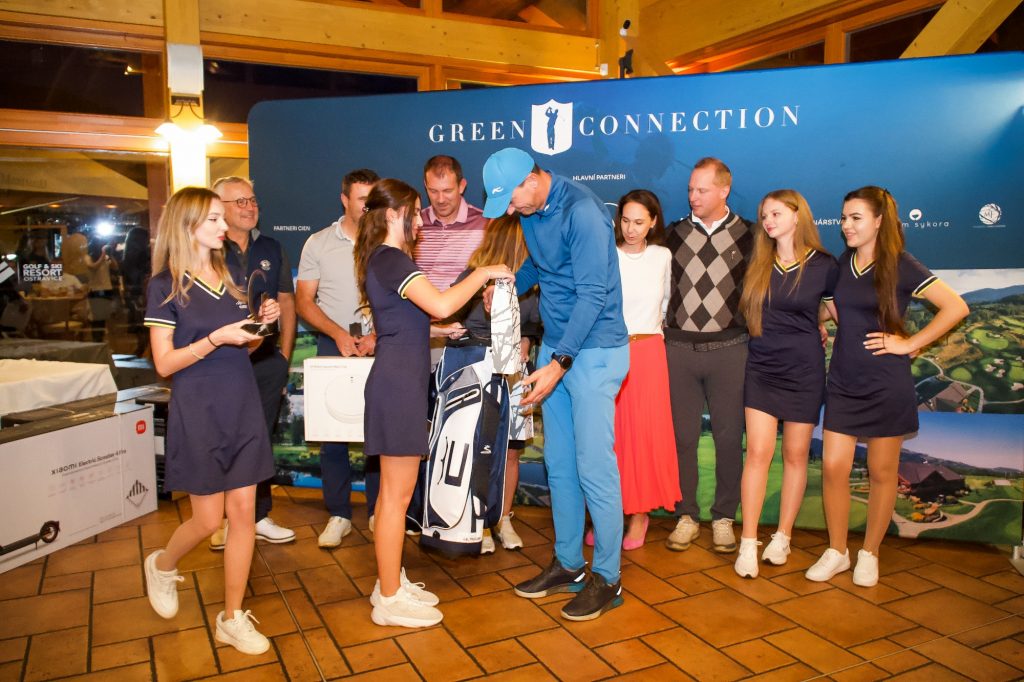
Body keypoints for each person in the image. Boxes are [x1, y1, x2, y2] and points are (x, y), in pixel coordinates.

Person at [354, 178, 512, 627]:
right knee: (395, 498)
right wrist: (483, 272)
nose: (421, 220)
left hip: (400, 383)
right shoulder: (392, 259)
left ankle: (391, 581)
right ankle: (388, 598)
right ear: (393, 214)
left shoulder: (386, 260)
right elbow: (441, 304)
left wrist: (438, 332)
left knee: (395, 496)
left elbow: (404, 323)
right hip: (397, 388)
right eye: (414, 211)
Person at [482, 147, 629, 622]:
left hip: (594, 351)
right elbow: (543, 267)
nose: (509, 210)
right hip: (557, 351)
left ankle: (608, 576)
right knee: (560, 466)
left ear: (532, 179)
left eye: (510, 199)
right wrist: (507, 282)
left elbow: (593, 294)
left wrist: (560, 361)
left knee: (594, 467)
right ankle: (569, 564)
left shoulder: (583, 212)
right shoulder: (531, 211)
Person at [806, 186, 968, 587]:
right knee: (834, 467)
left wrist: (910, 344)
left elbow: (956, 307)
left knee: (881, 472)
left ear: (879, 221)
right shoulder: (842, 264)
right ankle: (837, 551)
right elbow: (837, 310)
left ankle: (870, 553)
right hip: (843, 379)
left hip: (886, 382)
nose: (846, 225)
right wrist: (819, 323)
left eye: (855, 218)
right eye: (843, 218)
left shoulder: (901, 264)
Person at [142, 186, 280, 655]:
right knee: (206, 520)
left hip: (241, 404)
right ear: (187, 226)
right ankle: (162, 565)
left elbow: (249, 346)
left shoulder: (233, 275)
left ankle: (232, 618)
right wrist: (216, 338)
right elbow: (164, 364)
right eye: (215, 219)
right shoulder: (164, 286)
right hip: (199, 409)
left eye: (224, 217)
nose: (226, 226)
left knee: (242, 515)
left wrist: (260, 326)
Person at [733, 190, 839, 579]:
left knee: (795, 455)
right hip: (761, 368)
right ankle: (748, 543)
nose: (768, 221)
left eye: (776, 213)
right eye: (764, 215)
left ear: (798, 216)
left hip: (805, 372)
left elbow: (839, 313)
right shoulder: (757, 261)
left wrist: (820, 323)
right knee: (758, 453)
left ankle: (782, 537)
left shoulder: (825, 265)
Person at [664, 157, 754, 554]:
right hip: (678, 351)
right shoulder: (672, 234)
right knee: (682, 438)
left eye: (702, 190)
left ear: (724, 190)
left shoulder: (752, 235)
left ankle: (723, 518)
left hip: (730, 351)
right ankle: (686, 514)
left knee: (729, 438)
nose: (693, 196)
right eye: (690, 189)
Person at [207, 176, 298, 549]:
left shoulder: (272, 247)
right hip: (221, 362)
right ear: (219, 207)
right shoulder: (209, 249)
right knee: (223, 438)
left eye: (252, 200)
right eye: (240, 201)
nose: (249, 207)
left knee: (259, 439)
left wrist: (284, 357)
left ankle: (257, 516)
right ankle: (221, 519)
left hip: (265, 360)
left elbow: (287, 302)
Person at [443, 214, 541, 555]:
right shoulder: (473, 277)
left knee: (511, 450)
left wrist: (526, 339)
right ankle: (478, 521)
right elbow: (451, 318)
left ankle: (502, 518)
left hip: (516, 375)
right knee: (479, 448)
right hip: (478, 373)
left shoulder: (530, 282)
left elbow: (534, 324)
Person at [296, 168, 381, 547]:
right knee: (333, 436)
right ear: (344, 199)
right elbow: (303, 301)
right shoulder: (317, 243)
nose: (368, 207)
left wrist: (378, 335)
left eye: (373, 199)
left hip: (381, 345)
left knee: (379, 432)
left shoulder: (389, 240)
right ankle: (339, 514)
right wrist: (338, 335)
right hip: (334, 345)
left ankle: (380, 512)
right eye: (362, 199)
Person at [602, 189, 680, 550]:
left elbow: (665, 305)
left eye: (639, 222)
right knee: (611, 437)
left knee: (645, 437)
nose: (630, 229)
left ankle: (639, 515)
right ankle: (610, 515)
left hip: (648, 353)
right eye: (625, 221)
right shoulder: (607, 255)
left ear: (653, 222)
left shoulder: (662, 256)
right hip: (610, 349)